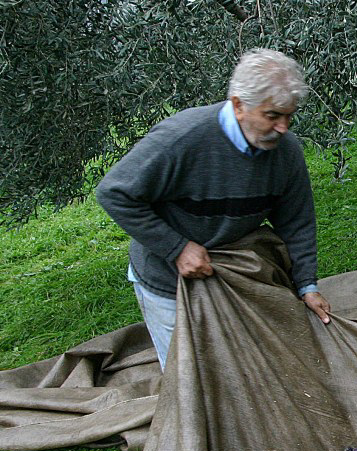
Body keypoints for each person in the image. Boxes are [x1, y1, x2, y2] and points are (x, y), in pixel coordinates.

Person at [97, 48, 331, 371]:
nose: (283, 128)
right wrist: (176, 249)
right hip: (168, 281)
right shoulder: (182, 139)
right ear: (238, 105)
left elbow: (297, 222)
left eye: (289, 116)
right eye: (272, 116)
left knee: (241, 370)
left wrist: (307, 285)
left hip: (233, 275)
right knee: (189, 377)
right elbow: (114, 193)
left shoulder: (285, 153)